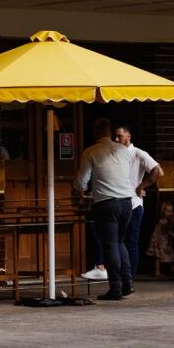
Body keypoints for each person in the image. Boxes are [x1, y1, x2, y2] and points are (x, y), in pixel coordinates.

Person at [74, 118, 140, 300]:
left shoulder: (91, 152)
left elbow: (81, 182)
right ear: (109, 132)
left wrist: (79, 191)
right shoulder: (123, 151)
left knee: (110, 244)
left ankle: (116, 288)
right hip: (127, 202)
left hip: (106, 203)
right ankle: (128, 283)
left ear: (95, 133)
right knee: (120, 242)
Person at [114, 125, 163, 293]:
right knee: (118, 241)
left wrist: (143, 184)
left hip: (134, 204)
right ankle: (122, 277)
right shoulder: (115, 153)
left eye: (120, 136)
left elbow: (158, 171)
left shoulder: (138, 154)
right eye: (115, 136)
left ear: (128, 136)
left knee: (131, 242)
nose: (116, 139)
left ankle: (130, 278)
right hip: (119, 202)